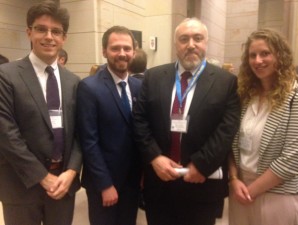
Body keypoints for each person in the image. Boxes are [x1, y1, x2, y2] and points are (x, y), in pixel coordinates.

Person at [133, 17, 240, 225]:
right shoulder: (153, 77)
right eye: (184, 39)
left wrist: (202, 164)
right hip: (160, 182)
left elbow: (226, 130)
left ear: (206, 42)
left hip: (202, 181)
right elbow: (139, 120)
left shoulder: (226, 82)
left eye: (197, 38)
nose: (191, 45)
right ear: (176, 45)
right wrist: (155, 157)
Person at [0, 1, 82, 224]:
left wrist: (72, 171)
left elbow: (80, 134)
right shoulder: (6, 76)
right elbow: (6, 134)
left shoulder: (73, 82)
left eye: (56, 31)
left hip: (63, 184)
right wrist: (42, 177)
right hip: (21, 186)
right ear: (29, 32)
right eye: (41, 29)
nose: (49, 36)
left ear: (64, 38)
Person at [228, 29, 298, 225]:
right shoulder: (245, 96)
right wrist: (233, 179)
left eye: (265, 53)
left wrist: (252, 191)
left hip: (277, 195)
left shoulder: (295, 97)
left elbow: (293, 157)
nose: (258, 61)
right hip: (240, 188)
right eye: (253, 55)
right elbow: (231, 143)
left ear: (280, 56)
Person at [77, 26, 142, 225]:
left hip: (132, 182)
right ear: (104, 51)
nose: (122, 53)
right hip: (103, 183)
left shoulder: (139, 87)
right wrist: (105, 185)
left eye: (127, 48)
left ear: (134, 51)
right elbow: (89, 141)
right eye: (115, 48)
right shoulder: (89, 87)